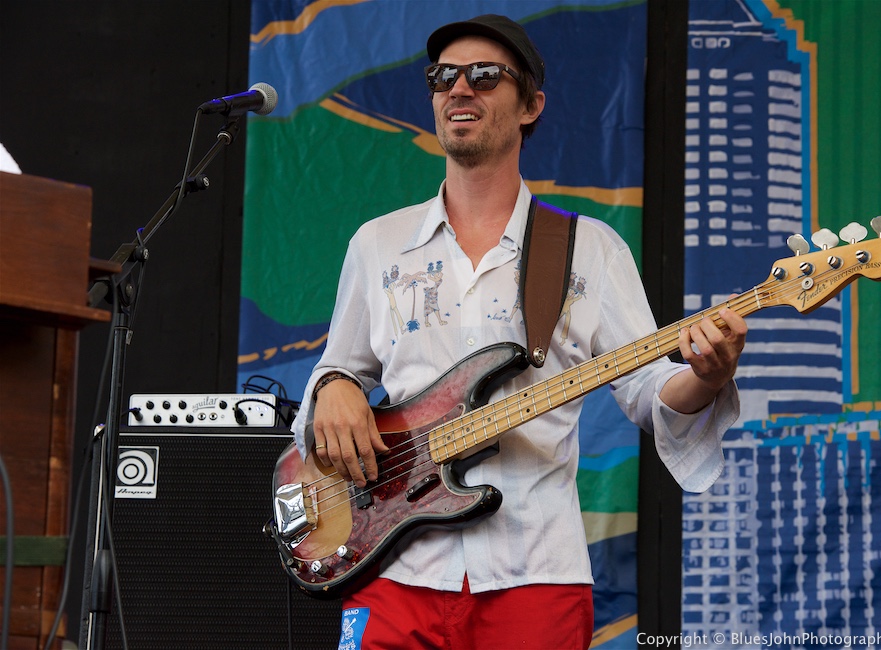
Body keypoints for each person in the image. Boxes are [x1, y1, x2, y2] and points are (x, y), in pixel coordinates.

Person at [290, 14, 747, 649]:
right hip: (393, 568)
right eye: (444, 77)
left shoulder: (589, 250)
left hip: (535, 574)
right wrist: (336, 383)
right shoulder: (378, 244)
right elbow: (332, 376)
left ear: (531, 104)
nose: (459, 90)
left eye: (484, 76)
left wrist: (707, 376)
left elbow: (648, 392)